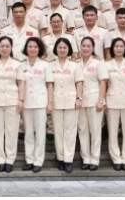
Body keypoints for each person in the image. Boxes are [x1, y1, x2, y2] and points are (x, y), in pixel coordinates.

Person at [0, 36, 24, 173]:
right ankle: (0, 160)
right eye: (2, 46)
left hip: (12, 100)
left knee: (12, 131)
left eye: (7, 46)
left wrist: (21, 100)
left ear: (11, 48)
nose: (4, 48)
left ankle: (10, 160)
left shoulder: (17, 64)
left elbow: (21, 82)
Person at [48, 38, 83, 173]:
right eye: (60, 47)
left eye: (65, 48)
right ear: (56, 49)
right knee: (58, 131)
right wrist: (50, 101)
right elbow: (50, 85)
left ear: (69, 50)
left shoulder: (75, 66)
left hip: (71, 101)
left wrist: (79, 98)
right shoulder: (50, 65)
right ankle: (60, 158)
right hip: (56, 101)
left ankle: (68, 159)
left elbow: (79, 83)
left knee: (70, 131)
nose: (62, 50)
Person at [20, 37, 53, 172]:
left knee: (40, 133)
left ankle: (38, 161)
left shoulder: (45, 65)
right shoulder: (21, 65)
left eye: (35, 47)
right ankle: (29, 160)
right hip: (26, 102)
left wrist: (50, 102)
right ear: (26, 49)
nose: (32, 49)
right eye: (30, 46)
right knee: (28, 132)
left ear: (39, 49)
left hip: (40, 102)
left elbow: (49, 85)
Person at [105, 38, 125, 171]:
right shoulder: (107, 65)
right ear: (112, 49)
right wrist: (104, 101)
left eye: (121, 46)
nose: (119, 49)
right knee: (112, 131)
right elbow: (105, 85)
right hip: (111, 100)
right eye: (116, 46)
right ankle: (116, 159)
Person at [76, 36, 108, 171]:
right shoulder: (75, 63)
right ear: (80, 47)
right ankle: (86, 158)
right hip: (79, 101)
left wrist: (101, 100)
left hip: (95, 100)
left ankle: (95, 159)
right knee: (82, 130)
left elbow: (103, 82)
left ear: (93, 48)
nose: (86, 48)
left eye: (89, 46)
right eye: (83, 45)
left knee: (95, 131)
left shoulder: (98, 63)